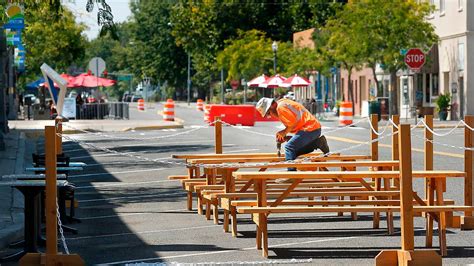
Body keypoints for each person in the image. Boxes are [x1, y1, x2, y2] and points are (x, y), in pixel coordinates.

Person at [256, 97, 330, 173]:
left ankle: (291, 173)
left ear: (271, 106)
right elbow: (294, 123)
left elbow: (292, 124)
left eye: (268, 113)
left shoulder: (280, 108)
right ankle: (318, 143)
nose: (270, 115)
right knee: (294, 152)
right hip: (312, 128)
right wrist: (288, 138)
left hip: (309, 128)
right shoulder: (282, 104)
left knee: (289, 147)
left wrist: (284, 132)